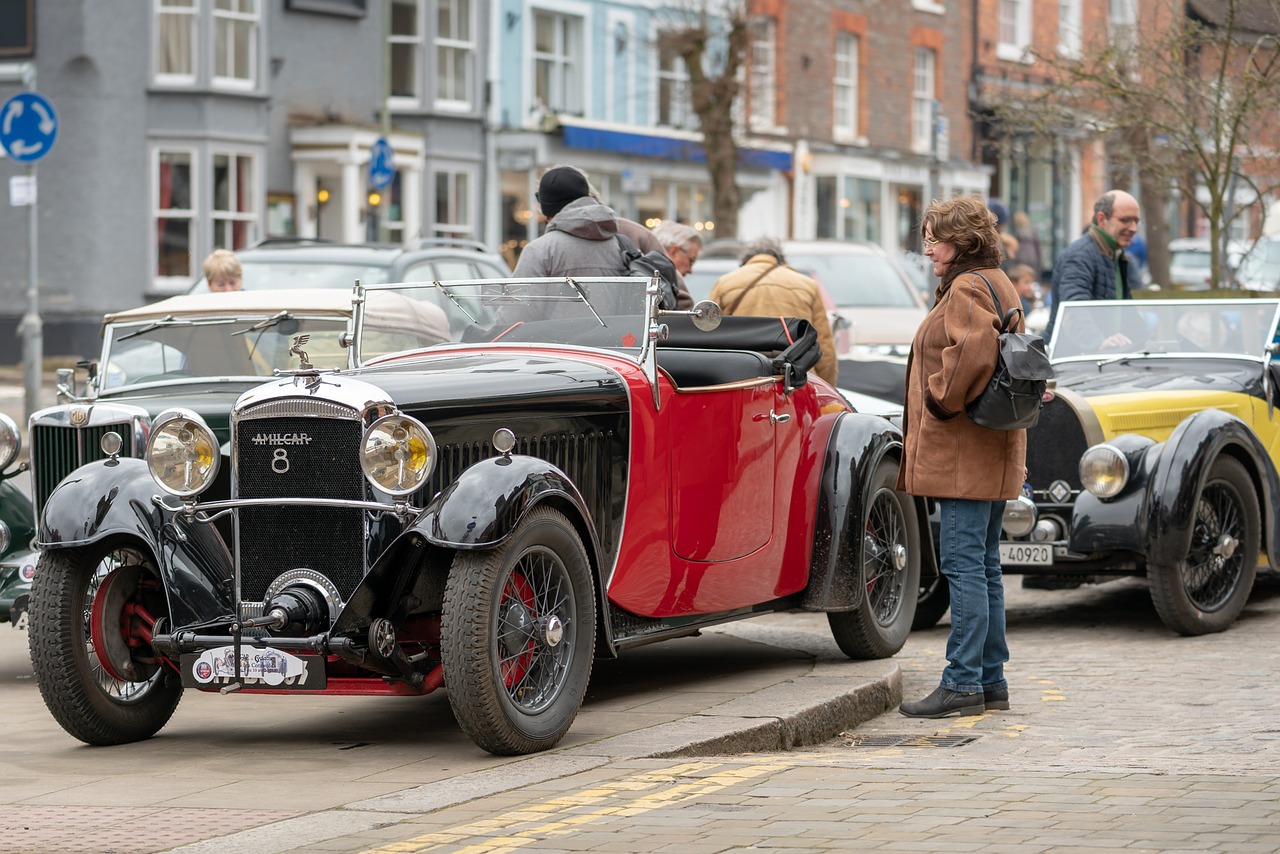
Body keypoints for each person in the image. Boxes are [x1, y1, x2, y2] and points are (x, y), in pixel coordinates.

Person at [897, 195, 1026, 719]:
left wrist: (937, 398)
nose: (928, 248)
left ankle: (963, 683)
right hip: (988, 448)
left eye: (935, 238)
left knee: (962, 565)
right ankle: (990, 680)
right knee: (985, 565)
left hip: (962, 452)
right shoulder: (997, 279)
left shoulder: (969, 285)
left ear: (962, 240)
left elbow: (971, 350)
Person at [708, 237, 838, 386]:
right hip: (797, 376)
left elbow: (712, 334)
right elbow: (823, 342)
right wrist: (828, 386)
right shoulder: (807, 284)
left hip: (743, 376)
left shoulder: (725, 283)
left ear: (746, 261)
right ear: (781, 259)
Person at [1041, 189, 1141, 346]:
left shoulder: (1117, 255)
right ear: (1102, 219)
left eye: (1136, 221)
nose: (1134, 228)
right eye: (1126, 220)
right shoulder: (1079, 255)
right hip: (1076, 362)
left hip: (1105, 359)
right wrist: (1098, 343)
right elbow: (1074, 309)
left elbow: (1126, 313)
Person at [1011, 211, 1044, 277]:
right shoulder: (1033, 235)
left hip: (1019, 262)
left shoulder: (1015, 236)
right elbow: (1039, 253)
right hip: (1032, 262)